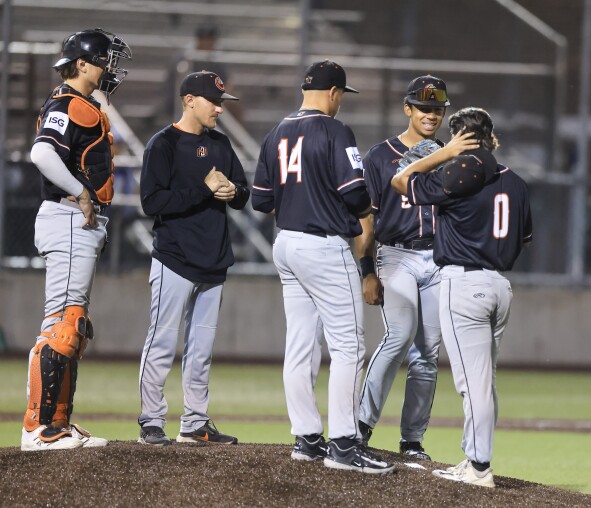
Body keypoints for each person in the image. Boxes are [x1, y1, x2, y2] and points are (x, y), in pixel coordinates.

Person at [251, 60, 393, 474]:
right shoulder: (334, 130)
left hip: (287, 243)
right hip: (324, 247)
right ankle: (346, 446)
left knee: (300, 343)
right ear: (334, 94)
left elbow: (261, 200)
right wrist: (366, 207)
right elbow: (353, 193)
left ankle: (307, 439)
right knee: (349, 346)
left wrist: (301, 197)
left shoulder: (275, 132)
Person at [391, 107, 533, 487]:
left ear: (460, 138)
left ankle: (480, 468)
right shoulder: (515, 181)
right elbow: (524, 239)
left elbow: (402, 181)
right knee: (484, 382)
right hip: (500, 285)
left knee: (473, 385)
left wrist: (442, 153)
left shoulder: (461, 171)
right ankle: (474, 460)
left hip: (464, 283)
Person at [21, 28, 131, 451]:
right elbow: (41, 153)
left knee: (74, 327)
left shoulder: (80, 102)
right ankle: (39, 428)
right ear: (81, 63)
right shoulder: (68, 102)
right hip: (68, 217)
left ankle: (58, 423)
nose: (109, 68)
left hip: (75, 221)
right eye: (104, 59)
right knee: (62, 327)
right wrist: (82, 192)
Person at [137, 71, 249, 446]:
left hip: (214, 260)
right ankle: (152, 422)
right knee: (162, 345)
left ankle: (194, 423)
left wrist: (234, 190)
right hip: (174, 259)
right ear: (189, 100)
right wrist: (203, 190)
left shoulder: (219, 143)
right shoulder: (163, 144)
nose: (220, 108)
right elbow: (152, 203)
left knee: (200, 352)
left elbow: (243, 194)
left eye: (221, 101)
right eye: (213, 101)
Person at [356, 75, 453, 461]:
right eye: (424, 107)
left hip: (440, 258)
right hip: (396, 253)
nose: (431, 115)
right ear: (408, 109)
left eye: (438, 108)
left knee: (427, 352)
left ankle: (412, 441)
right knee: (399, 336)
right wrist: (366, 268)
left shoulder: (451, 154)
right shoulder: (381, 156)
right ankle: (359, 428)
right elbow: (366, 220)